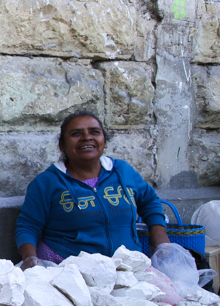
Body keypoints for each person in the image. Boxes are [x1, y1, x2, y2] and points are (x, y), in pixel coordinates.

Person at [16, 111, 170, 269]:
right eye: (76, 134)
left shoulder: (123, 172)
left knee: (169, 294)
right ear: (62, 145)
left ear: (105, 141)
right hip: (68, 267)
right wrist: (30, 258)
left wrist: (160, 238)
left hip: (126, 265)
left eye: (95, 132)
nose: (87, 137)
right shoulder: (47, 182)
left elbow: (150, 201)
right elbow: (28, 225)